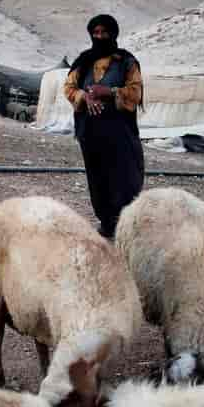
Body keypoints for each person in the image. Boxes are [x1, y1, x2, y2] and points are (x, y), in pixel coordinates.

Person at [63, 14, 145, 239]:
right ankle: (107, 223)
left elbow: (135, 92)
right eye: (95, 33)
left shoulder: (126, 61)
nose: (99, 36)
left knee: (125, 177)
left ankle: (126, 224)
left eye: (104, 32)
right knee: (97, 178)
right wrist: (84, 97)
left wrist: (109, 92)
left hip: (120, 133)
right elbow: (68, 88)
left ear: (113, 34)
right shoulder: (83, 61)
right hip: (91, 133)